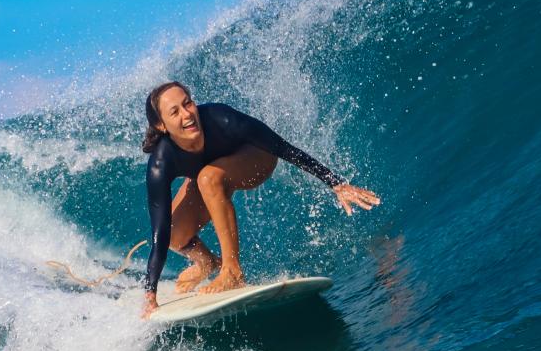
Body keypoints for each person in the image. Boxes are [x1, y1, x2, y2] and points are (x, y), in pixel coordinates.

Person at [141, 81, 380, 318]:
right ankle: (207, 263)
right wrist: (150, 294)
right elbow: (159, 230)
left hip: (255, 158)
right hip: (210, 175)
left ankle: (232, 271)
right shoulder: (161, 163)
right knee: (174, 232)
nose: (187, 114)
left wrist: (335, 183)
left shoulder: (221, 118)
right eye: (175, 111)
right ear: (162, 125)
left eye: (188, 103)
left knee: (207, 178)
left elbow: (282, 147)